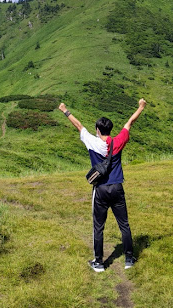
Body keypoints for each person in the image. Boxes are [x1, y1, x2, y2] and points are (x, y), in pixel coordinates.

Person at [57, 98, 147, 272]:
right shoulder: (118, 141)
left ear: (98, 130)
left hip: (100, 189)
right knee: (124, 224)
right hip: (117, 187)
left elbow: (78, 125)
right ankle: (129, 259)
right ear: (110, 129)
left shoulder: (92, 141)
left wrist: (64, 110)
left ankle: (99, 262)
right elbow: (130, 122)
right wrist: (141, 107)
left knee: (98, 226)